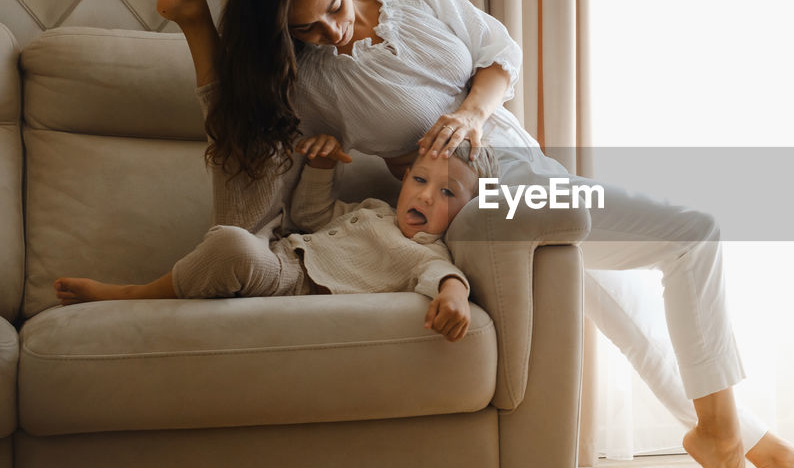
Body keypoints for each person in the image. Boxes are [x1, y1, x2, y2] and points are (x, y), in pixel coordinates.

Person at [153, 0, 794, 468]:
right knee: (691, 234)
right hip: (483, 207)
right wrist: (195, 26)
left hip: (524, 168)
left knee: (635, 317)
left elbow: (497, 50)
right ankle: (726, 437)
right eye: (306, 29)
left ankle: (774, 455)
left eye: (333, 7)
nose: (331, 34)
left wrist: (468, 111)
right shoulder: (307, 81)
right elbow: (245, 155)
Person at [55, 136, 495, 341]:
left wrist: (454, 297)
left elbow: (443, 273)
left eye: (446, 192)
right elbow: (310, 217)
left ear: (467, 210)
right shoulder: (373, 210)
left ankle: (135, 294)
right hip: (282, 256)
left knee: (231, 245)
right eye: (419, 178)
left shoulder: (425, 250)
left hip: (298, 284)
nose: (423, 194)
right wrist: (322, 167)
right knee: (234, 238)